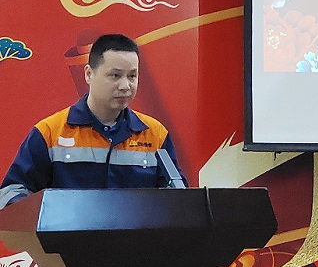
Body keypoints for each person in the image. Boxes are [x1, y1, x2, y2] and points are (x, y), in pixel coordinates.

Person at [0, 33, 186, 208]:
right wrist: (48, 219)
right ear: (88, 74)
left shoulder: (155, 135)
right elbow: (12, 191)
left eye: (132, 76)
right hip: (67, 233)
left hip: (137, 233)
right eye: (115, 75)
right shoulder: (50, 132)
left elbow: (179, 200)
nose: (125, 86)